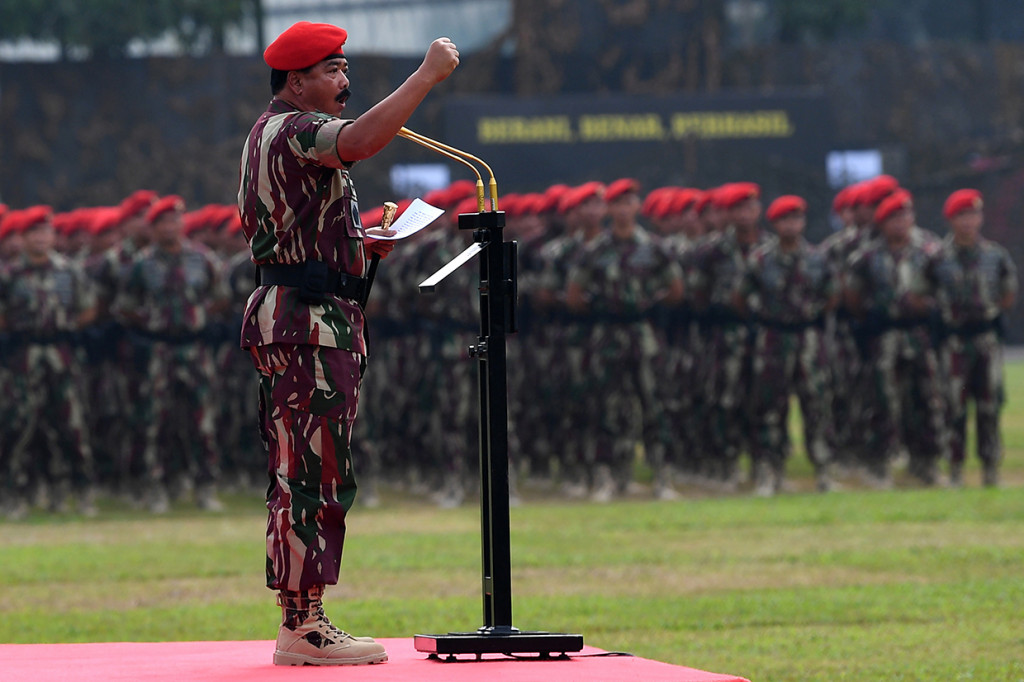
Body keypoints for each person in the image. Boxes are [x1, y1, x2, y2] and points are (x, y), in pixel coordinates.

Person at [237, 21, 459, 666]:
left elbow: (301, 231)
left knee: (313, 469)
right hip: (305, 325)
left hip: (314, 317)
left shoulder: (276, 133)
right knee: (308, 471)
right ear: (297, 80)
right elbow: (360, 140)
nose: (344, 81)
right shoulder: (293, 129)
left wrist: (364, 245)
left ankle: (303, 619)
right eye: (332, 70)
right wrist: (425, 76)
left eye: (343, 68)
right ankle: (303, 627)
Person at [739, 195, 837, 495]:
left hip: (807, 339)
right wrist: (766, 314)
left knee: (815, 405)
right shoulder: (760, 259)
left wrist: (812, 314)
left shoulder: (818, 258)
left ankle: (822, 470)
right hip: (773, 339)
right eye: (785, 220)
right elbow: (742, 296)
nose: (791, 225)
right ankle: (770, 470)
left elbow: (831, 296)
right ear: (775, 223)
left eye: (796, 219)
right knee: (770, 408)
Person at [926, 190, 1017, 486]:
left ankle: (990, 468)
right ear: (951, 219)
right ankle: (954, 469)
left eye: (974, 215)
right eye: (962, 216)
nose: (969, 222)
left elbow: (1008, 292)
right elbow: (919, 294)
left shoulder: (995, 254)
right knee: (954, 407)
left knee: (989, 406)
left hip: (985, 340)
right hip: (953, 342)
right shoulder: (937, 257)